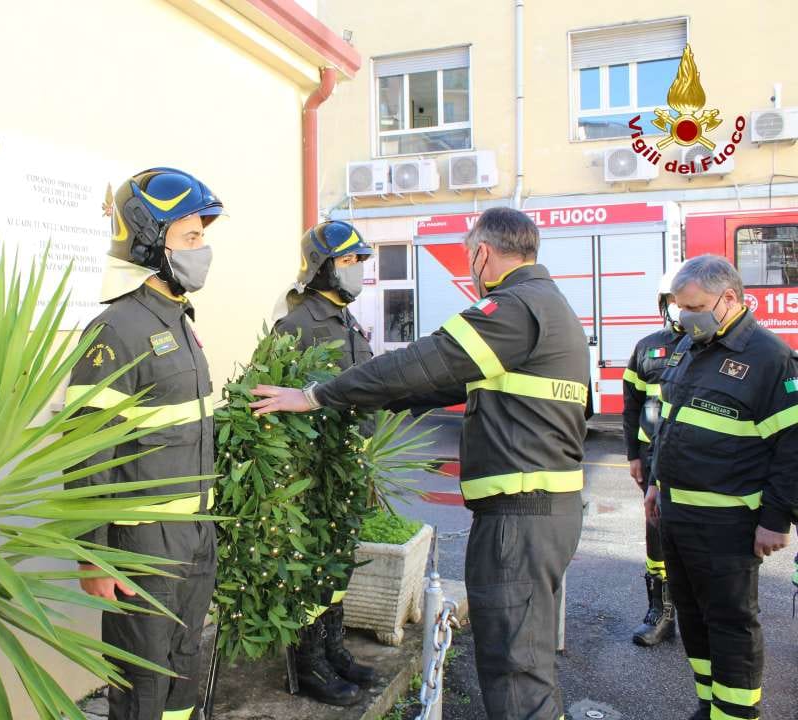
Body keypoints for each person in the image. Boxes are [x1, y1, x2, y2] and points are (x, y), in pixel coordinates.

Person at [251, 207, 589, 720]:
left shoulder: (514, 307)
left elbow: (423, 363)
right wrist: (357, 398)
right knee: (523, 662)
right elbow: (437, 384)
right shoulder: (546, 303)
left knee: (517, 670)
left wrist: (317, 397)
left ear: (481, 254)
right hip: (538, 513)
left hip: (522, 518)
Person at [66, 167, 223, 720]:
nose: (202, 250)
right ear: (151, 241)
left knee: (183, 671)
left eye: (202, 238)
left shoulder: (180, 321)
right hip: (143, 549)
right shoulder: (118, 329)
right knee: (142, 687)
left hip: (195, 538)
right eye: (191, 238)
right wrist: (94, 554)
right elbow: (87, 451)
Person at [646, 255, 797, 720]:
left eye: (694, 306)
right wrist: (655, 482)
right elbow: (669, 422)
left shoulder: (770, 357)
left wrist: (774, 520)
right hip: (676, 513)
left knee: (730, 624)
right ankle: (710, 704)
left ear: (729, 299)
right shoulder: (693, 346)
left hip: (728, 522)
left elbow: (792, 447)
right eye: (679, 308)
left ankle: (736, 715)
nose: (684, 316)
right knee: (693, 619)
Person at [272, 220, 375, 706]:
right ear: (322, 267)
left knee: (338, 566)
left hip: (347, 469)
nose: (357, 272)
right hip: (312, 475)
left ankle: (333, 649)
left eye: (359, 262)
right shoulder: (296, 324)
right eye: (349, 262)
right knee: (311, 567)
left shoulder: (347, 320)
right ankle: (308, 662)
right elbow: (270, 400)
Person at [622, 263, 685, 646]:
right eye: (672, 300)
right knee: (656, 531)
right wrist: (633, 455)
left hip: (696, 462)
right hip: (650, 459)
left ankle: (705, 614)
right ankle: (660, 611)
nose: (679, 306)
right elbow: (631, 406)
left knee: (699, 538)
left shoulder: (710, 349)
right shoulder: (648, 348)